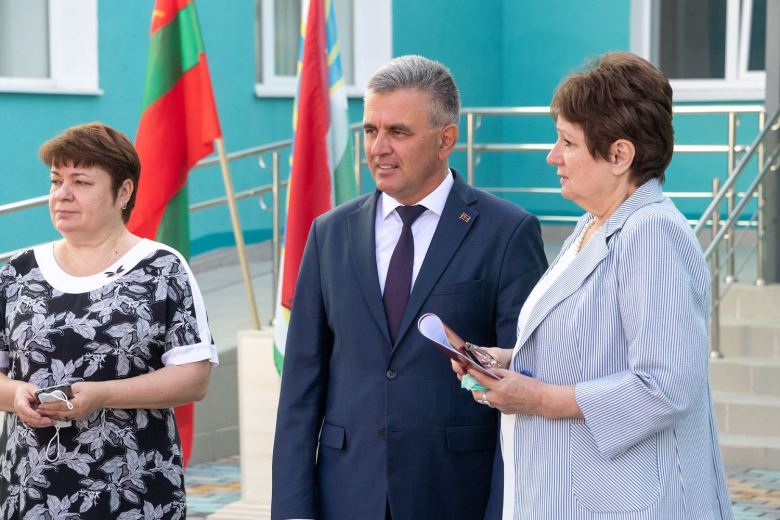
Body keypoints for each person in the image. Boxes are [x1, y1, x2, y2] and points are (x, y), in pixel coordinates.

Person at [458, 52, 733, 519]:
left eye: (567, 141)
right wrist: (506, 360)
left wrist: (538, 399)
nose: (553, 156)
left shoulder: (651, 232)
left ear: (620, 155)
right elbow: (591, 349)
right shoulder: (595, 224)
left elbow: (665, 386)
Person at [272, 55, 548, 520]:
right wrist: (292, 512)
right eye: (370, 130)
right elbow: (300, 387)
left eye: (398, 132)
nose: (378, 148)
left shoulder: (507, 232)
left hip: (455, 496)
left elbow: (524, 385)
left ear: (446, 140)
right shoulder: (329, 233)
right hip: (347, 495)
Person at [0, 122, 218, 518]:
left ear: (124, 192)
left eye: (81, 182)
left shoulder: (162, 269)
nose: (62, 194)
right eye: (56, 180)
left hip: (136, 494)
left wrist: (103, 395)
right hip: (28, 494)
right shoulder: (18, 272)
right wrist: (15, 394)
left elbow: (194, 378)